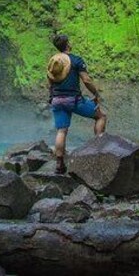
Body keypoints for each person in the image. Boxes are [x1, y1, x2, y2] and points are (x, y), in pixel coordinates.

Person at [47, 33, 107, 174]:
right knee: (101, 116)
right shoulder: (76, 60)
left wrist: (52, 97)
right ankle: (99, 150)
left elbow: (49, 83)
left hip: (57, 100)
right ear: (67, 44)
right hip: (73, 100)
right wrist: (96, 94)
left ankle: (59, 165)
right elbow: (86, 80)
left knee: (62, 131)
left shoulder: (53, 62)